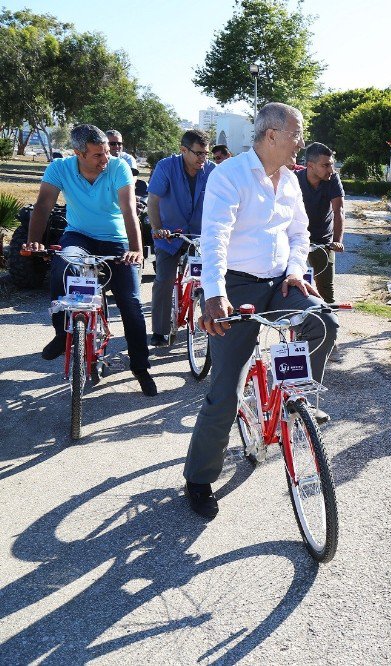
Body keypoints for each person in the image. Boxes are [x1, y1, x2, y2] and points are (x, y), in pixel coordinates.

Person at [183, 102, 338, 519]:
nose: (301, 143)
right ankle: (198, 479)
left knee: (324, 322)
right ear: (271, 136)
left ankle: (298, 398)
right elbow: (214, 237)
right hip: (234, 285)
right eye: (296, 134)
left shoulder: (289, 180)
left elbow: (299, 234)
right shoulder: (229, 176)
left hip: (279, 283)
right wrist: (213, 294)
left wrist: (294, 271)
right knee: (226, 391)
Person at [22, 124, 157, 396]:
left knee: (130, 301)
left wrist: (136, 250)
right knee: (61, 266)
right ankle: (63, 333)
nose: (105, 159)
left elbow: (129, 210)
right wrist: (34, 240)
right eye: (98, 155)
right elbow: (44, 205)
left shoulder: (118, 168)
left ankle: (140, 367)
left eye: (106, 152)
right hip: (79, 235)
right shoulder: (60, 168)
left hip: (116, 239)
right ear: (78, 153)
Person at [147, 129, 216, 346]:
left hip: (199, 236)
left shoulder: (213, 170)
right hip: (169, 235)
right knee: (164, 279)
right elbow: (153, 200)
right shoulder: (166, 167)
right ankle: (159, 330)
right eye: (198, 153)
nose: (202, 159)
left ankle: (211, 328)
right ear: (183, 150)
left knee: (209, 280)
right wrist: (157, 228)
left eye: (206, 154)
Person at [296, 142, 345, 305]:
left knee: (326, 292)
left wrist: (337, 241)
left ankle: (329, 325)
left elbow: (339, 211)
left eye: (331, 164)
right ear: (310, 165)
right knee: (293, 286)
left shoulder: (332, 179)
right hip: (297, 239)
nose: (330, 170)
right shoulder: (295, 180)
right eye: (325, 165)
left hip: (323, 241)